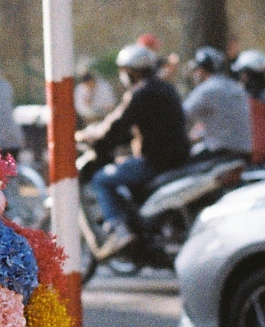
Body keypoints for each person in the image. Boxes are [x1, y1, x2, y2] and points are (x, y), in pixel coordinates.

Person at [77, 43, 189, 256]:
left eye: (123, 71)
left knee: (101, 179)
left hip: (155, 161)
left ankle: (119, 230)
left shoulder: (140, 94)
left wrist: (88, 136)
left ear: (132, 71)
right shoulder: (166, 88)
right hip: (178, 157)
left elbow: (116, 125)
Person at [182, 47, 254, 163]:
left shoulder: (205, 90)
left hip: (219, 155)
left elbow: (181, 116)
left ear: (201, 70)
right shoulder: (235, 87)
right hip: (245, 154)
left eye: (196, 69)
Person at [73, 59, 117, 125]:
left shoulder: (104, 87)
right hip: (86, 120)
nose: (90, 86)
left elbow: (110, 104)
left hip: (104, 118)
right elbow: (79, 107)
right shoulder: (79, 89)